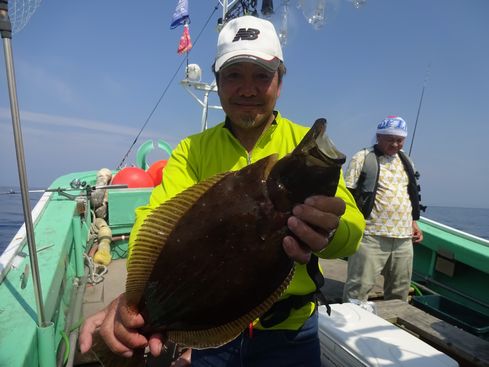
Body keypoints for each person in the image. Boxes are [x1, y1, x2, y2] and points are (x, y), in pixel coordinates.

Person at [79, 15, 365, 367]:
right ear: (217, 81)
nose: (248, 89)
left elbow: (351, 229)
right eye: (234, 75)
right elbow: (154, 222)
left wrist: (330, 230)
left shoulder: (299, 146)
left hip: (290, 331)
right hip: (212, 339)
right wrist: (134, 301)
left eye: (262, 75)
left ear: (280, 81)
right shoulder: (193, 151)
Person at [343, 116, 423, 303]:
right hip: (371, 234)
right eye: (390, 139)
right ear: (378, 136)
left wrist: (413, 222)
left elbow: (409, 194)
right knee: (359, 286)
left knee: (400, 289)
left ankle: (393, 326)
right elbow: (347, 193)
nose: (395, 144)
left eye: (400, 140)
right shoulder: (362, 157)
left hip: (403, 237)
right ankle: (350, 327)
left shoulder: (407, 161)